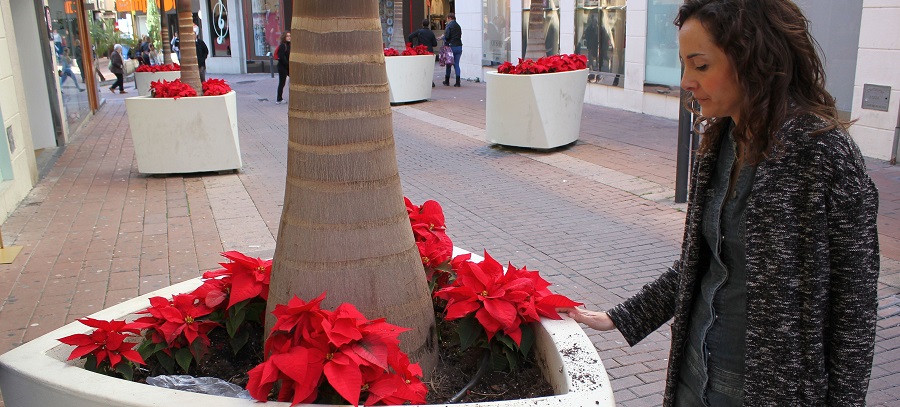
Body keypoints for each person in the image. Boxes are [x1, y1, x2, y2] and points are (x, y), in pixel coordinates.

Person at [558, 0, 879, 406]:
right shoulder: (721, 140)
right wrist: (619, 317)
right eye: (683, 64)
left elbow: (855, 310)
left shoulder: (823, 152)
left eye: (701, 65)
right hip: (696, 376)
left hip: (770, 393)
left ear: (753, 59)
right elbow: (704, 263)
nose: (686, 80)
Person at [408, 19, 438, 87]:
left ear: (422, 24)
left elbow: (410, 36)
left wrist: (411, 45)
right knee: (429, 67)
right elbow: (435, 44)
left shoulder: (419, 32)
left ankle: (422, 80)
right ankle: (430, 81)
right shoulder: (431, 33)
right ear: (428, 24)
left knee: (421, 66)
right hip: (429, 51)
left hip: (421, 51)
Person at [438, 13, 462, 87]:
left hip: (451, 47)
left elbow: (448, 37)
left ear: (449, 18)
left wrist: (443, 37)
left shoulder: (449, 26)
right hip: (459, 46)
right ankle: (458, 82)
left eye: (447, 18)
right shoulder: (458, 26)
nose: (447, 20)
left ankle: (447, 81)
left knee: (448, 64)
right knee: (457, 64)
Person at [275, 32, 290, 104]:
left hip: (288, 66)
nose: (289, 37)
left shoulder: (289, 45)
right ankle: (279, 99)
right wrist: (288, 64)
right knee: (282, 82)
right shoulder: (282, 46)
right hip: (282, 67)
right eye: (287, 36)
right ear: (284, 37)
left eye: (290, 36)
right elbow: (281, 57)